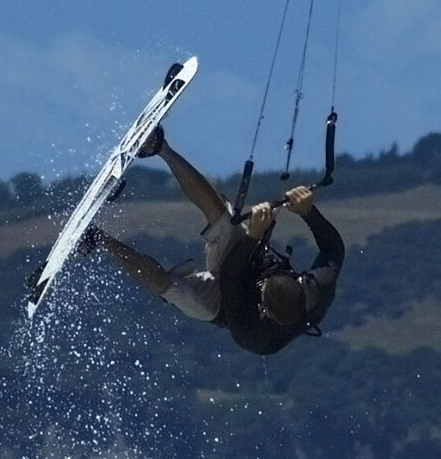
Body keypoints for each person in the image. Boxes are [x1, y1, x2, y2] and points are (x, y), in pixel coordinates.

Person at [80, 125, 345, 356]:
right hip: (252, 264)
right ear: (298, 284)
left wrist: (254, 235)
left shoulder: (252, 333)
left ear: (263, 308)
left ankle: (98, 238)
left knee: (169, 287)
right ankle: (159, 146)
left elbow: (230, 275)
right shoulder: (317, 292)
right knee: (222, 218)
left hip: (222, 303)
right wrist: (308, 211)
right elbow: (334, 250)